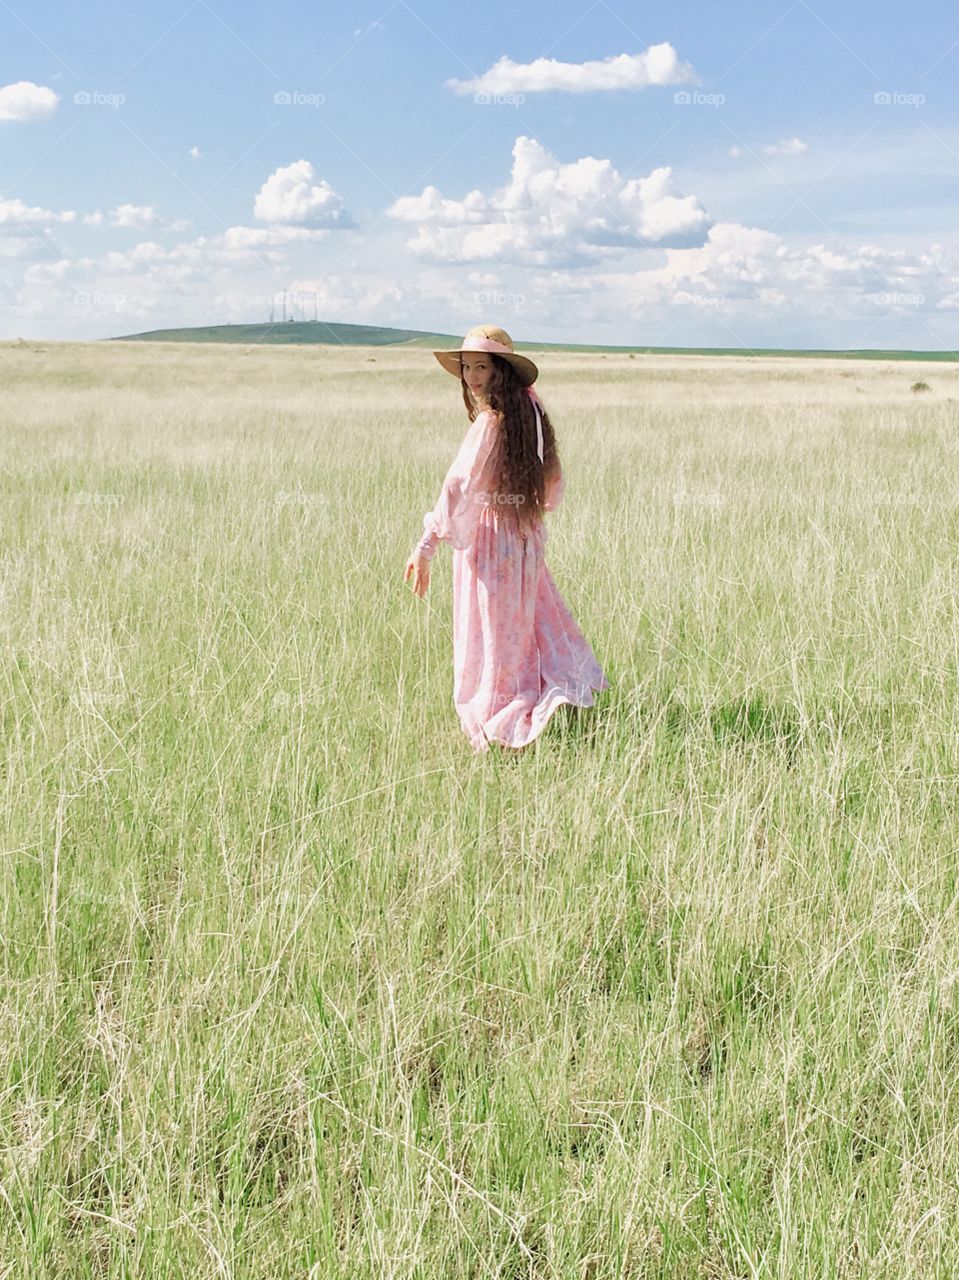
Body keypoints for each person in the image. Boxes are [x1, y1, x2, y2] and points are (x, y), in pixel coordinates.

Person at [403, 324, 610, 752]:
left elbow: (459, 485)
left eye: (482, 367)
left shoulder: (491, 421)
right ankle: (550, 697)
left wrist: (427, 544)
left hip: (492, 538)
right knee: (526, 624)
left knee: (492, 632)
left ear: (501, 370)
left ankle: (501, 714)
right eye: (467, 367)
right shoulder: (530, 414)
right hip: (524, 534)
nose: (472, 377)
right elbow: (552, 481)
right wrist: (530, 511)